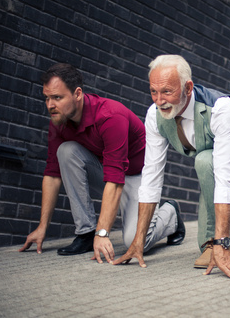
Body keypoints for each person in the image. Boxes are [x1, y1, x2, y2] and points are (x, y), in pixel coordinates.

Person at [112, 55, 230, 280]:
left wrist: (221, 243)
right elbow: (151, 174)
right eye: (154, 91)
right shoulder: (154, 115)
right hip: (211, 164)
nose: (159, 100)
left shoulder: (220, 107)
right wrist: (138, 241)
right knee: (205, 243)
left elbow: (224, 175)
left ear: (188, 88)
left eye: (167, 91)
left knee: (204, 161)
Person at [19, 63, 184, 263]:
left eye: (57, 97)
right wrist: (42, 227)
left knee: (136, 240)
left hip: (137, 178)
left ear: (77, 94)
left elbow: (116, 178)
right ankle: (86, 233)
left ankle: (171, 213)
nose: (50, 105)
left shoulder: (110, 116)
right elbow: (53, 175)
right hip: (108, 174)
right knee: (66, 151)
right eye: (47, 98)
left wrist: (103, 233)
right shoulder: (59, 120)